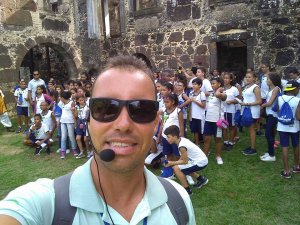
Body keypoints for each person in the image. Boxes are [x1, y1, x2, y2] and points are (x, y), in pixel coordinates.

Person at [0, 55, 196, 225]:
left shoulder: (178, 201)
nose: (123, 124)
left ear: (155, 123)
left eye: (140, 109)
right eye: (106, 108)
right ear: (90, 120)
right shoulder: (44, 204)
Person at [164, 125, 208, 195]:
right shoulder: (181, 139)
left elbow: (185, 161)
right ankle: (201, 179)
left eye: (168, 137)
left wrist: (171, 163)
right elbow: (183, 157)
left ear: (175, 137)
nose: (167, 139)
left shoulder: (181, 146)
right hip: (201, 160)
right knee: (183, 168)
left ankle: (187, 191)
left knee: (176, 169)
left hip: (200, 162)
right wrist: (175, 163)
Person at [277, 80, 300, 178]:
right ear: (294, 89)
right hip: (294, 127)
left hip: (282, 127)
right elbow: (298, 117)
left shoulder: (279, 98)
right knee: (296, 145)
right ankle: (296, 166)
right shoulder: (297, 100)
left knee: (284, 147)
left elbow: (278, 111)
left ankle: (286, 171)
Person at [203, 77, 227, 165]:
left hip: (217, 121)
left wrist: (220, 89)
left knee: (217, 139)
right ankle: (205, 156)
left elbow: (219, 96)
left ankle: (218, 156)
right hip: (208, 120)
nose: (212, 85)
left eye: (214, 83)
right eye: (211, 83)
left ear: (219, 84)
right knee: (206, 139)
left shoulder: (223, 93)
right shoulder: (211, 93)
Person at [260, 73, 281, 162]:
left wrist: (262, 105)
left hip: (273, 114)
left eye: (268, 79)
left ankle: (272, 155)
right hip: (270, 114)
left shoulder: (276, 89)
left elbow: (270, 102)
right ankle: (269, 152)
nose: (266, 80)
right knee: (270, 134)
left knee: (268, 134)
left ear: (272, 80)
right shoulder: (271, 89)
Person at [241, 71, 262, 156]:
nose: (247, 78)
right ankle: (251, 146)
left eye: (249, 77)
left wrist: (247, 104)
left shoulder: (256, 87)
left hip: (252, 111)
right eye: (246, 77)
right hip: (246, 110)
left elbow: (259, 101)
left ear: (254, 78)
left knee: (251, 129)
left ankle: (253, 149)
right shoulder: (247, 87)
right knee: (250, 129)